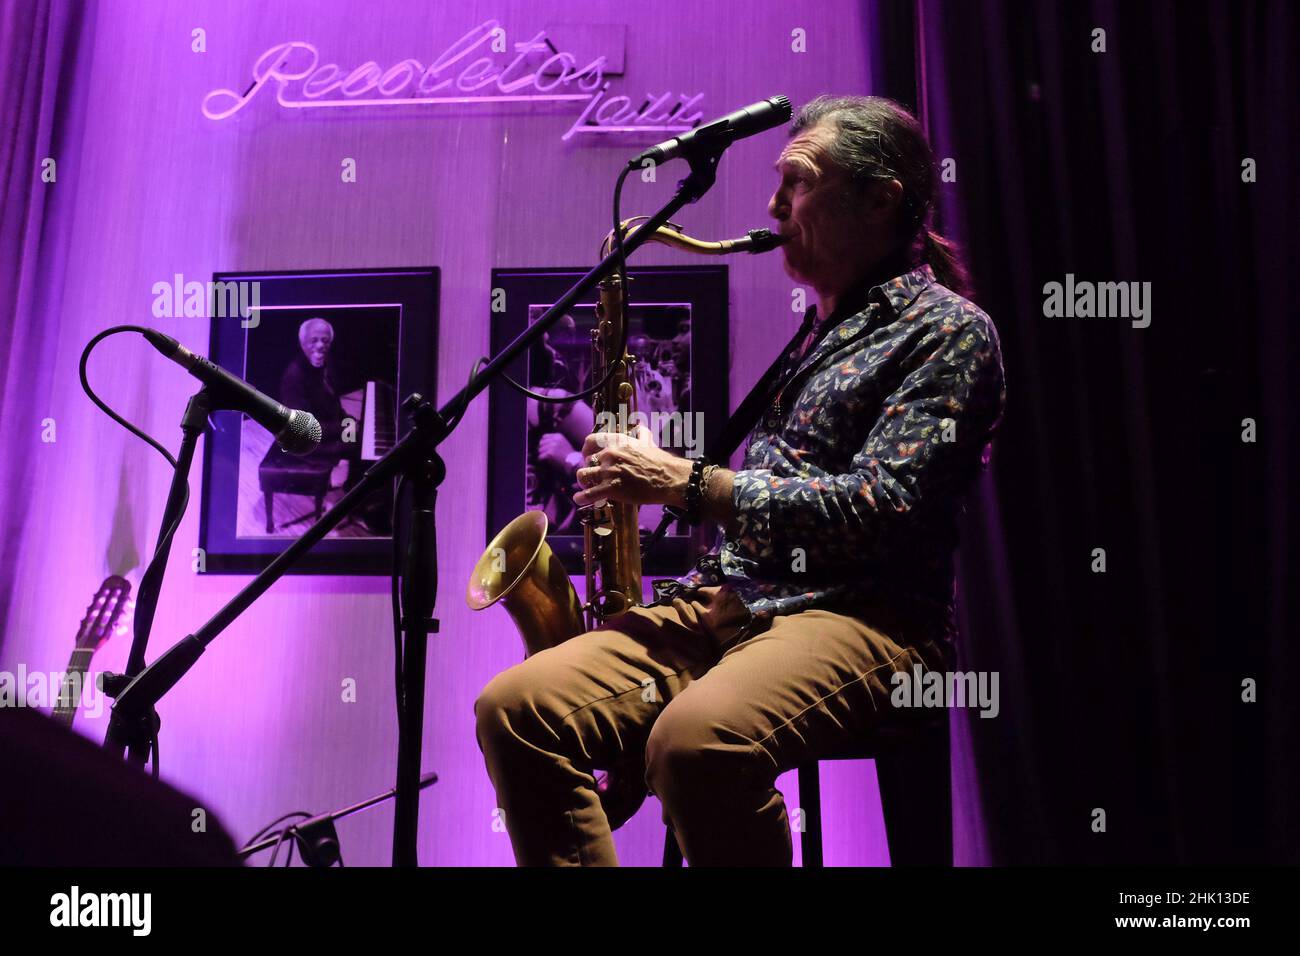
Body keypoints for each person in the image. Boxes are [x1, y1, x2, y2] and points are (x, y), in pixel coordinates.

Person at [474, 95, 1006, 866]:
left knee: (697, 741)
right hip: (733, 603)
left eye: (797, 182)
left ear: (880, 198)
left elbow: (882, 506)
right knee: (514, 709)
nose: (772, 204)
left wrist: (687, 482)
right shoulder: (820, 330)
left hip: (866, 617)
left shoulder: (949, 331)